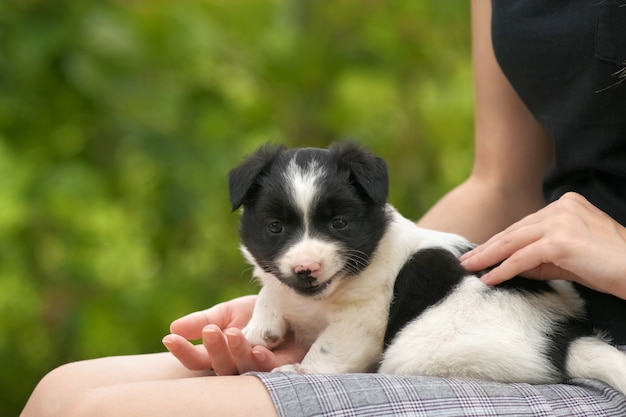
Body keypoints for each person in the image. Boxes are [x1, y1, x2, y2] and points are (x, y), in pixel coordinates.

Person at [21, 1, 626, 416]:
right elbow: (501, 185)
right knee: (61, 392)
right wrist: (342, 298)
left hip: (584, 360)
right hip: (522, 315)